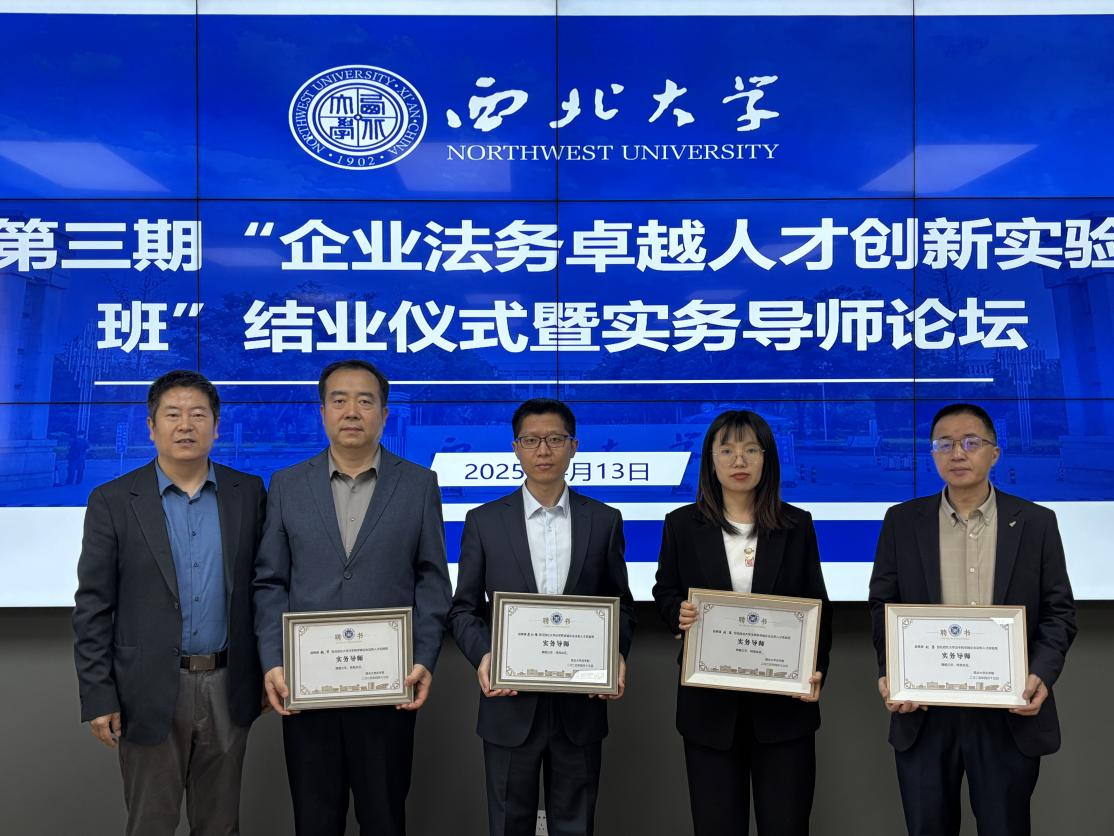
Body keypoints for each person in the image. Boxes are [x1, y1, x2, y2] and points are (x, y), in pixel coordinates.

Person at [254, 359, 451, 836]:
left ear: (384, 413)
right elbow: (270, 582)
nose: (351, 411)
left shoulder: (418, 484)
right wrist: (273, 661)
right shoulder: (286, 485)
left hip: (389, 686)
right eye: (339, 400)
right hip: (307, 687)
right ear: (322, 411)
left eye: (365, 401)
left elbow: (431, 580)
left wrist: (423, 658)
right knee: (315, 820)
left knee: (383, 818)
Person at [72, 370, 266, 835]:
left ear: (216, 426)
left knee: (220, 825)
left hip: (229, 684)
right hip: (146, 690)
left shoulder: (248, 494)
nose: (185, 425)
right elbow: (93, 607)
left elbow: (266, 590)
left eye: (198, 414)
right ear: (151, 426)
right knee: (150, 824)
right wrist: (98, 694)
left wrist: (269, 669)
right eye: (172, 414)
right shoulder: (114, 500)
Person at [868, 403, 1077, 836]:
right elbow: (883, 606)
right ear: (932, 454)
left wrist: (1040, 673)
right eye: (944, 444)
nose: (957, 453)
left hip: (1007, 711)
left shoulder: (1036, 522)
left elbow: (1058, 612)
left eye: (970, 442)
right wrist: (893, 672)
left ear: (994, 453)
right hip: (925, 710)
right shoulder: (902, 521)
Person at [449, 398, 635, 836]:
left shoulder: (604, 520)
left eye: (554, 439)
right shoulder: (484, 522)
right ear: (516, 448)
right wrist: (484, 656)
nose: (543, 450)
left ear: (574, 446)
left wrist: (617, 653)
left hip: (581, 705)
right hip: (509, 704)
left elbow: (621, 605)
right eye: (531, 441)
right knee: (508, 824)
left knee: (576, 824)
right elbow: (463, 609)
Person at [652, 409, 831, 836]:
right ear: (710, 460)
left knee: (786, 826)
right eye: (727, 450)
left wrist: (816, 669)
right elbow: (665, 590)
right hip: (709, 713)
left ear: (767, 459)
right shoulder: (682, 524)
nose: (739, 461)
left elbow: (818, 606)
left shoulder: (796, 524)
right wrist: (677, 611)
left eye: (751, 450)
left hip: (783, 710)